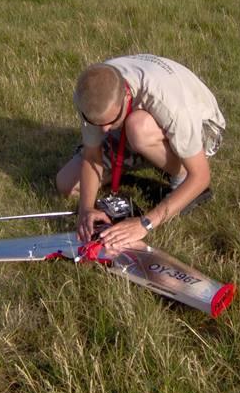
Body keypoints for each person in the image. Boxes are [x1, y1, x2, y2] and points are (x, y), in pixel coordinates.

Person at [56, 54, 225, 248]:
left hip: (203, 125)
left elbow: (202, 176)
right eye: (96, 123)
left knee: (138, 128)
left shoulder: (166, 101)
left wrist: (145, 223)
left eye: (111, 121)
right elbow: (92, 156)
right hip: (137, 123)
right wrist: (86, 209)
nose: (103, 130)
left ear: (127, 97)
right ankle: (149, 158)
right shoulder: (90, 95)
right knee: (67, 184)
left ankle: (180, 175)